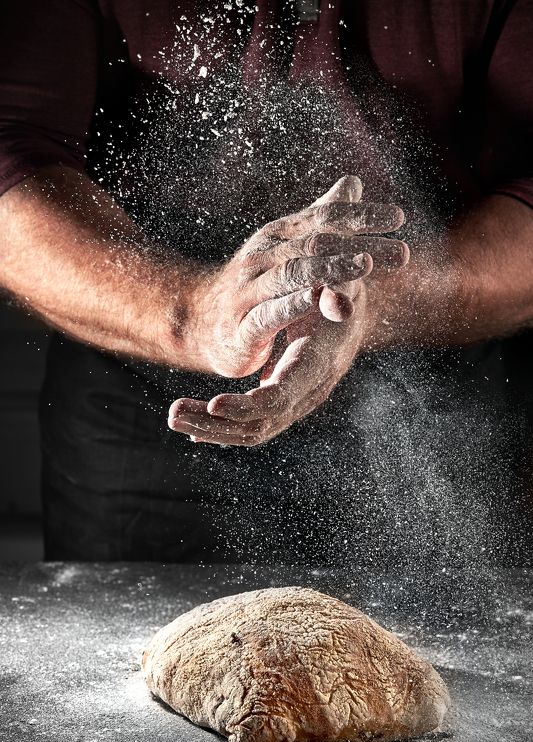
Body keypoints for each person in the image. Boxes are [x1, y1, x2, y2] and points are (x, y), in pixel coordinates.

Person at [0, 0, 532, 563]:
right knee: (134, 645)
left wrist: (363, 302)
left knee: (444, 646)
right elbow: (13, 152)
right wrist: (193, 314)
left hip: (437, 387)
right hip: (146, 390)